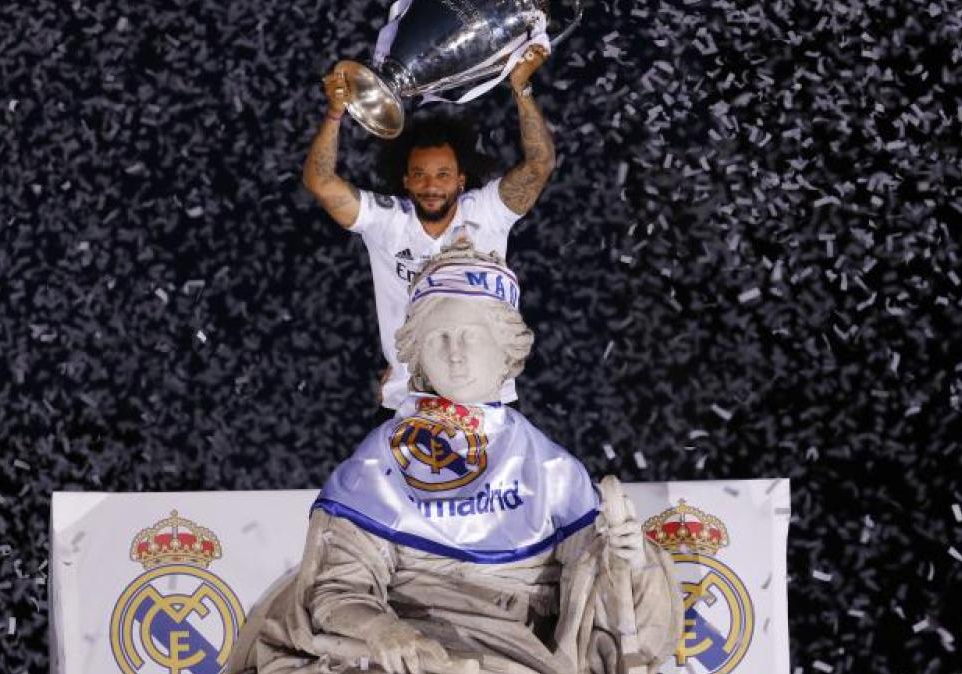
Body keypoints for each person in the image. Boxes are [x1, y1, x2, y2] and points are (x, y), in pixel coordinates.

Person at [231, 241, 683, 674]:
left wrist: (629, 560)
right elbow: (337, 588)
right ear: (419, 357)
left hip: (508, 654)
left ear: (506, 350)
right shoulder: (376, 465)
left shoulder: (550, 470)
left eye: (470, 336)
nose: (455, 353)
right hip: (396, 653)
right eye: (439, 338)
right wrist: (383, 631)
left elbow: (602, 605)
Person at [302, 47, 557, 418]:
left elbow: (540, 164)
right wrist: (335, 112)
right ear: (405, 180)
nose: (430, 185)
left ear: (461, 180)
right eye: (419, 175)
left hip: (487, 395)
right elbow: (320, 182)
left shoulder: (487, 212)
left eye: (442, 175)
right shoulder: (387, 222)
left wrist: (522, 88)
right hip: (407, 400)